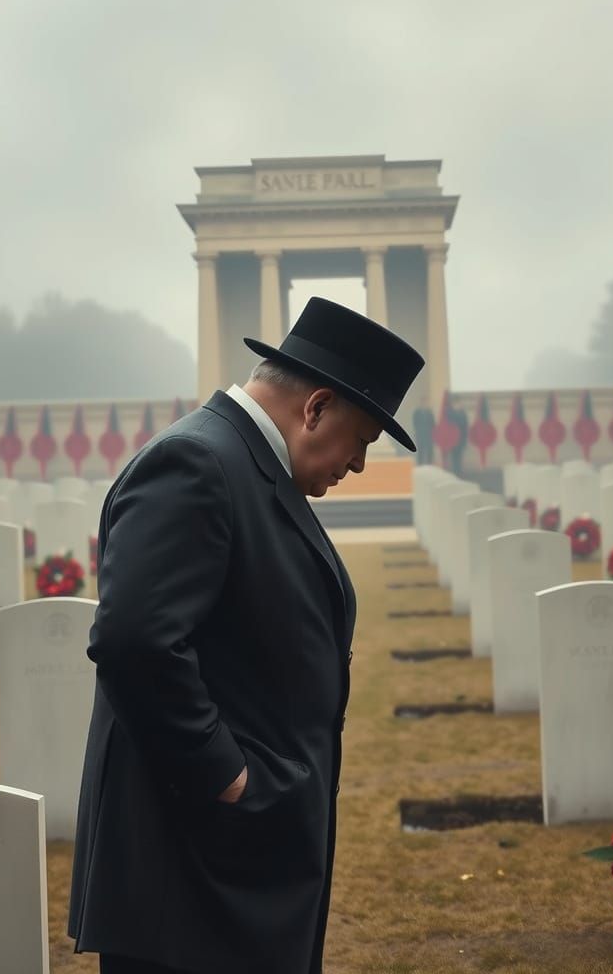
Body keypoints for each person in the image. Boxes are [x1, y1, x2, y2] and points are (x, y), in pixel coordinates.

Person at [68, 297, 424, 974]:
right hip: (192, 876)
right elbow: (135, 641)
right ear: (315, 408)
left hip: (231, 869)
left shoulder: (245, 465)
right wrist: (230, 778)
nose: (356, 466)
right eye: (363, 440)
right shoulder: (198, 463)